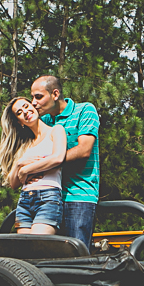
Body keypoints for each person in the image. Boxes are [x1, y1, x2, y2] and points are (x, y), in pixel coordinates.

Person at [29, 75, 100, 249]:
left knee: (76, 254)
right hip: (48, 196)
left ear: (55, 94)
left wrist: (50, 161)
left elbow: (83, 150)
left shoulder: (85, 110)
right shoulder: (44, 121)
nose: (33, 102)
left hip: (79, 195)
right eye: (32, 97)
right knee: (44, 254)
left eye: (38, 97)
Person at [0, 97, 66, 235]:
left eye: (26, 106)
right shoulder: (26, 144)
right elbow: (13, 183)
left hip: (48, 197)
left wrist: (26, 170)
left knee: (37, 246)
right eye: (19, 112)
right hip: (24, 201)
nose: (25, 111)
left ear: (33, 106)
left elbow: (58, 158)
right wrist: (19, 164)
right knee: (25, 251)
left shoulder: (56, 131)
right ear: (19, 121)